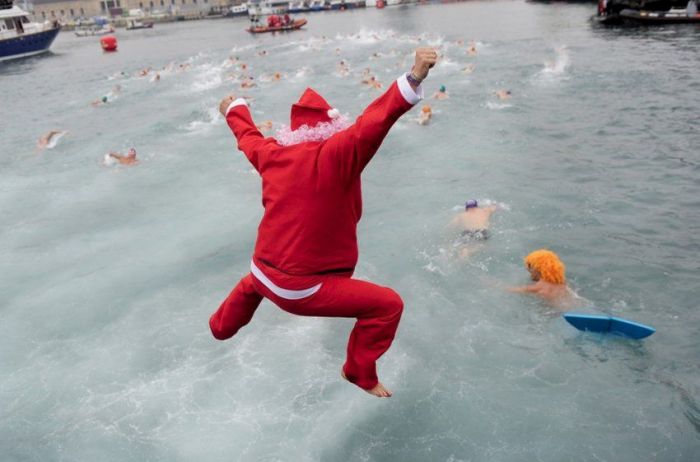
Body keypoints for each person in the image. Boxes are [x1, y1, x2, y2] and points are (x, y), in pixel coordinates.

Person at [210, 47, 438, 398]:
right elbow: (373, 123)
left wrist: (234, 109)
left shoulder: (273, 154)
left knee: (255, 283)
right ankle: (357, 371)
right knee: (388, 305)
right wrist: (414, 77)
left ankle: (220, 326)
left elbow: (248, 138)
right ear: (332, 129)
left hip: (261, 272)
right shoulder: (337, 153)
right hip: (301, 290)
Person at [508, 249, 574, 308]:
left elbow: (518, 290)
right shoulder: (561, 282)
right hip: (569, 306)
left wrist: (502, 287)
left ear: (537, 269)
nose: (530, 275)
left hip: (557, 311)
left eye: (530, 271)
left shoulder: (539, 286)